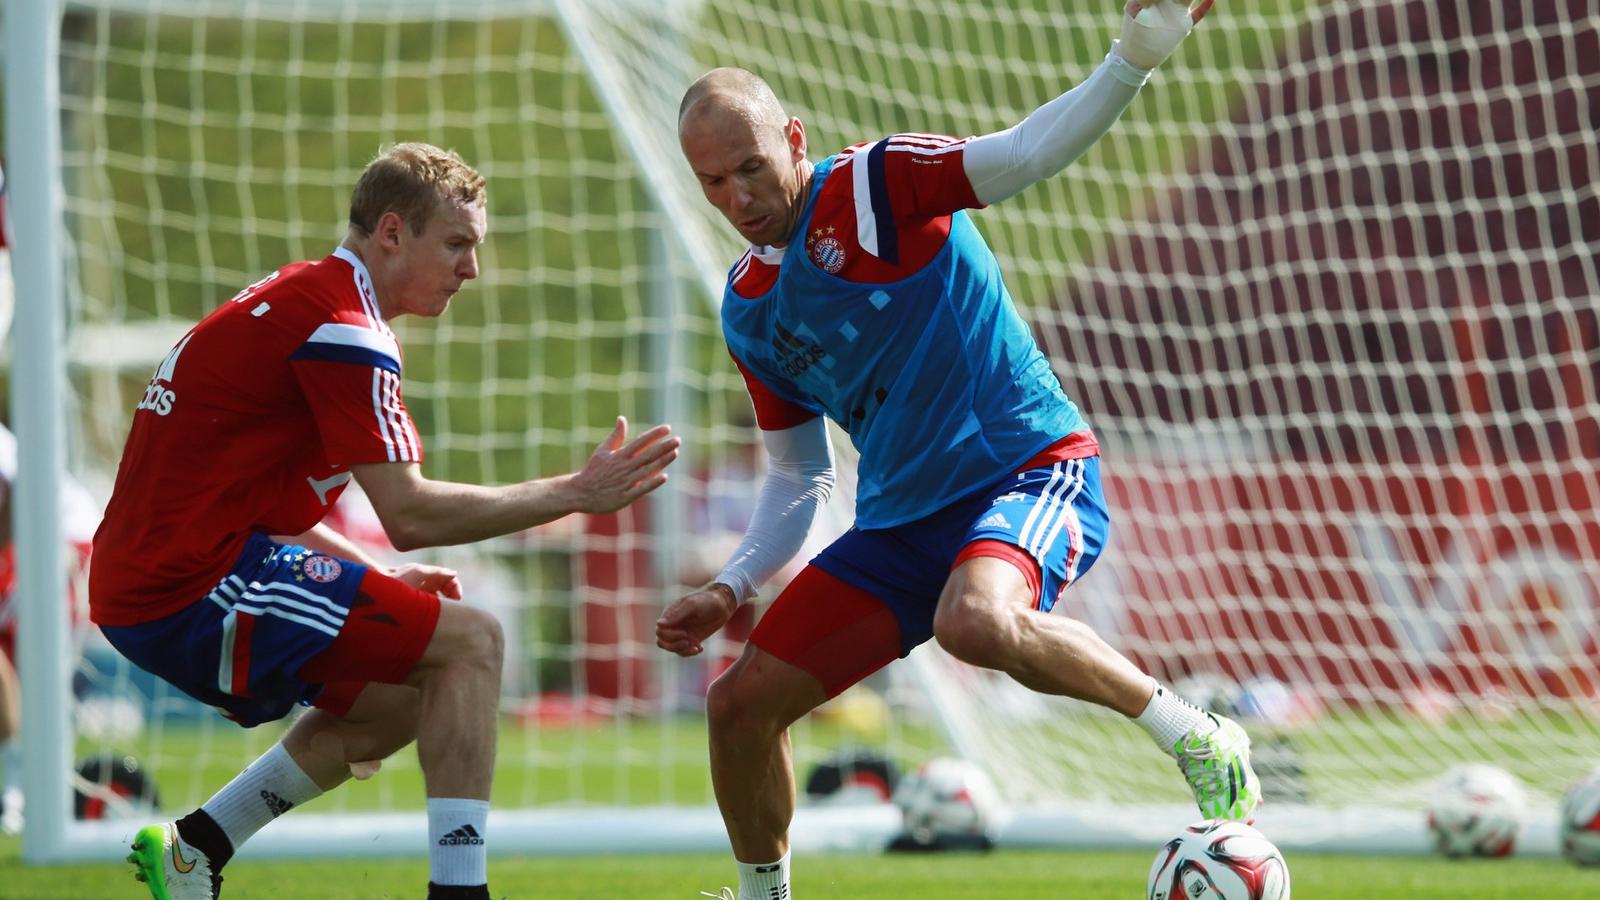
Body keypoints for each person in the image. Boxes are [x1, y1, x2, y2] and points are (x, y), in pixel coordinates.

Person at [656, 2, 1255, 896]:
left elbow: (1018, 155)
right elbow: (800, 473)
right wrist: (731, 584)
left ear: (793, 137)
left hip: (1029, 467)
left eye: (751, 167)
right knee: (739, 706)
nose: (738, 199)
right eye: (714, 183)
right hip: (901, 526)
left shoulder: (875, 187)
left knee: (973, 622)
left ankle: (1195, 734)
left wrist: (1132, 58)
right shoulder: (749, 309)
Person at [90, 142, 679, 900]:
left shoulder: (307, 297)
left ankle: (195, 847)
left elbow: (273, 510)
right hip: (187, 588)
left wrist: (367, 579)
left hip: (168, 578)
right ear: (392, 232)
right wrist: (574, 492)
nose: (473, 269)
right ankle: (459, 893)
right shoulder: (344, 328)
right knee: (475, 642)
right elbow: (409, 512)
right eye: (458, 244)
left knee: (409, 692)